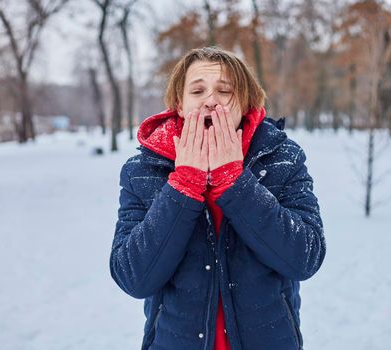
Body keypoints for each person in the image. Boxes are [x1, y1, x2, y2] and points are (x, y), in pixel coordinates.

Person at [109, 46, 326, 350]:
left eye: (225, 90)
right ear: (179, 105)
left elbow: (306, 257)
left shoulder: (283, 160)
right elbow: (133, 276)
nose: (210, 100)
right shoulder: (143, 170)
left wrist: (235, 184)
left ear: (246, 103)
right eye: (197, 91)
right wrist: (183, 186)